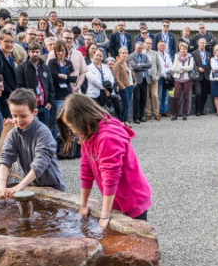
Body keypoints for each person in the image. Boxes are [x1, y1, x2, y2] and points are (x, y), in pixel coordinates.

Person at [55, 94, 153, 229]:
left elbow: (110, 177)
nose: (72, 131)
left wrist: (105, 215)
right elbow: (86, 170)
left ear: (82, 119)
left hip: (132, 200)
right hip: (117, 199)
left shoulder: (107, 137)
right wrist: (83, 204)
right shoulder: (87, 135)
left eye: (71, 126)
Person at [0, 88, 65, 198]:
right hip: (29, 185)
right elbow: (5, 158)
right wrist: (1, 186)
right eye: (14, 116)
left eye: (23, 116)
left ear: (34, 112)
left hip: (52, 185)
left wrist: (20, 185)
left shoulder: (43, 132)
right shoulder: (13, 134)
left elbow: (40, 162)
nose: (18, 120)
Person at [16, 41, 53, 128]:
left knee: (44, 130)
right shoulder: (22, 67)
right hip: (31, 106)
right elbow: (20, 87)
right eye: (33, 52)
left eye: (37, 52)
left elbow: (50, 85)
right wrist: (26, 104)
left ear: (40, 52)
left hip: (44, 106)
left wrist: (50, 101)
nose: (35, 54)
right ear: (28, 52)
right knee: (32, 130)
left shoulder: (45, 67)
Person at [47, 40, 78, 140]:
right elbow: (55, 76)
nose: (61, 53)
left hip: (68, 95)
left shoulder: (68, 63)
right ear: (55, 51)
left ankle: (68, 143)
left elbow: (75, 78)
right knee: (57, 121)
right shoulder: (52, 62)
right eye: (58, 51)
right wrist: (68, 77)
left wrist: (64, 76)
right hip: (57, 96)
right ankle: (54, 144)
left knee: (69, 120)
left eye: (63, 50)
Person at [85, 49, 121, 118]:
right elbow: (93, 80)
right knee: (97, 113)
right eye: (97, 55)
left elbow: (111, 78)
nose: (98, 57)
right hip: (95, 93)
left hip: (108, 92)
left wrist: (108, 87)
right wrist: (104, 88)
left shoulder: (106, 67)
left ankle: (119, 120)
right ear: (93, 55)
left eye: (100, 56)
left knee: (116, 99)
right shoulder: (88, 68)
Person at [0, 29, 19, 118]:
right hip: (3, 99)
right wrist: (11, 93)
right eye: (6, 41)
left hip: (11, 98)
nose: (9, 44)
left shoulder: (10, 57)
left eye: (11, 42)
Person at [170, 42, 194, 120]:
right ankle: (175, 114)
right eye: (182, 49)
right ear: (179, 49)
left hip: (187, 79)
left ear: (187, 50)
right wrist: (183, 69)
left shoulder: (190, 57)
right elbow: (173, 68)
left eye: (185, 49)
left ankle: (184, 114)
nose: (183, 50)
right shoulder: (176, 57)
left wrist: (180, 67)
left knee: (186, 97)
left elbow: (191, 67)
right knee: (176, 97)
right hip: (178, 79)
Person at [129, 41, 151, 124]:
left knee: (143, 99)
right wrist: (144, 66)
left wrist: (141, 64)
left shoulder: (144, 55)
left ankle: (142, 116)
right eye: (138, 48)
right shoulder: (131, 56)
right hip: (137, 81)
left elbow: (150, 65)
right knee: (136, 99)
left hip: (145, 80)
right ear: (135, 48)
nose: (140, 50)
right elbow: (134, 66)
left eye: (141, 48)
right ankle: (136, 117)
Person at [111, 47, 133, 126]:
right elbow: (116, 77)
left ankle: (125, 120)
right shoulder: (117, 64)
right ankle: (121, 121)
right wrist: (122, 86)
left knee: (127, 104)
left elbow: (131, 73)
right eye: (122, 53)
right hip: (124, 87)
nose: (124, 54)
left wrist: (134, 82)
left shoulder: (127, 63)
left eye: (126, 53)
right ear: (119, 54)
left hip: (130, 86)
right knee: (125, 104)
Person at [191, 38, 212, 115]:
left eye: (203, 43)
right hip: (197, 76)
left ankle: (201, 109)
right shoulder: (193, 53)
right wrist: (197, 68)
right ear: (198, 44)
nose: (202, 44)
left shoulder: (208, 54)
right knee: (198, 93)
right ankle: (197, 110)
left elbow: (210, 65)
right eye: (201, 43)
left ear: (205, 44)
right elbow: (192, 64)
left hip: (206, 76)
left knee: (205, 94)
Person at [143, 38, 161, 121]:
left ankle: (156, 113)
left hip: (153, 78)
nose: (148, 45)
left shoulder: (155, 53)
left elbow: (159, 66)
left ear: (152, 44)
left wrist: (158, 76)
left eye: (150, 43)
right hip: (145, 78)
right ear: (144, 43)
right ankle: (148, 113)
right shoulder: (141, 53)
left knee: (155, 95)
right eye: (147, 43)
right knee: (146, 96)